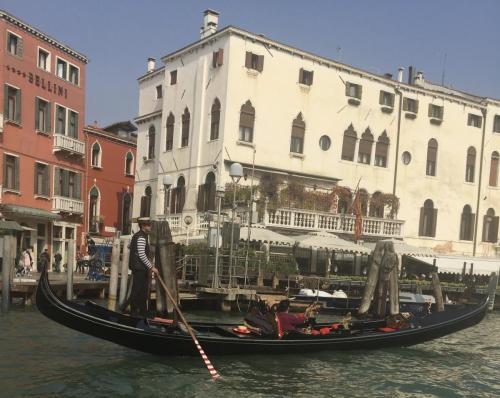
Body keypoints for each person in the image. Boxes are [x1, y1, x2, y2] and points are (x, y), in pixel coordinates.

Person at [128, 217, 158, 317]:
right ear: (143, 226)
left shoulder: (142, 236)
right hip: (139, 268)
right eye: (149, 225)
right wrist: (151, 267)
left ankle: (143, 312)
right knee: (137, 290)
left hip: (141, 268)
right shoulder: (141, 237)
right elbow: (141, 254)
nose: (150, 227)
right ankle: (134, 313)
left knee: (143, 291)